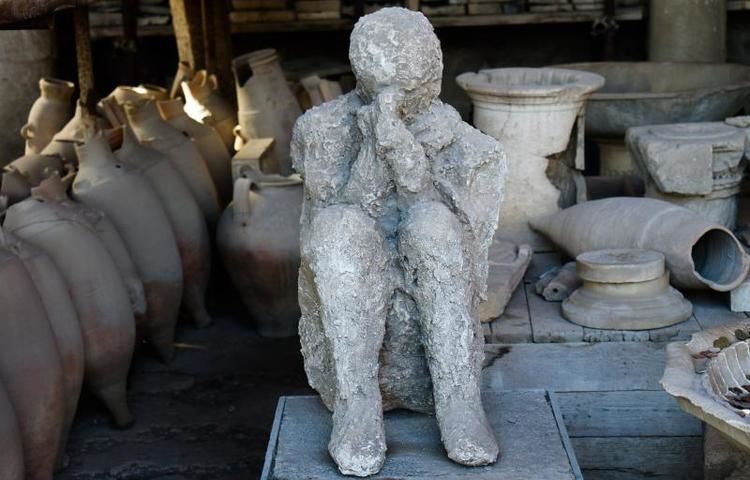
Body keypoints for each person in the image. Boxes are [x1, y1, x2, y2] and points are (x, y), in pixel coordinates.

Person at [292, 7, 506, 477]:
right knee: (338, 229)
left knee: (433, 225)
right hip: (355, 261)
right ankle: (357, 405)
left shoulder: (471, 147)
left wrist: (411, 169)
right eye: (385, 90)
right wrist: (374, 151)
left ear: (433, 75)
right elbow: (320, 231)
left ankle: (459, 401)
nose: (401, 102)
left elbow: (470, 245)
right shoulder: (322, 129)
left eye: (409, 90)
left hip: (429, 259)